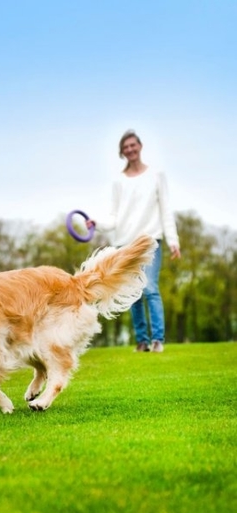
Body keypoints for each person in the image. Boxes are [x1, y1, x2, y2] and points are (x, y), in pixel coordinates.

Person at [88, 129, 181, 352]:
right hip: (124, 243)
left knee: (149, 288)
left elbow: (165, 209)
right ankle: (142, 341)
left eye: (133, 145)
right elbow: (114, 216)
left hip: (151, 241)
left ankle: (158, 340)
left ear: (140, 146)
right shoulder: (118, 181)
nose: (130, 149)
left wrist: (173, 240)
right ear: (122, 152)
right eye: (125, 147)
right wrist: (96, 223)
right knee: (133, 293)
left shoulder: (157, 175)